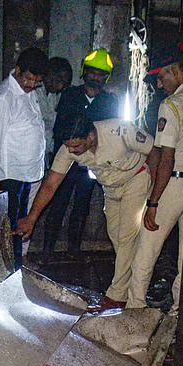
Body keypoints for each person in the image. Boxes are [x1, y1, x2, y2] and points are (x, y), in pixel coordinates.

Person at [15, 113, 153, 312]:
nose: (72, 151)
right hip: (110, 188)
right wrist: (31, 218)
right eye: (69, 147)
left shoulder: (121, 131)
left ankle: (117, 297)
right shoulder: (69, 147)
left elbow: (156, 150)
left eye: (76, 147)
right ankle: (132, 283)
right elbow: (51, 184)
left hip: (136, 179)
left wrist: (155, 192)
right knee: (117, 238)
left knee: (126, 238)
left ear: (91, 137)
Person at [126, 41, 183, 310]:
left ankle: (134, 312)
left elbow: (166, 157)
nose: (160, 83)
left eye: (162, 76)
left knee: (146, 251)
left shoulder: (172, 104)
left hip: (175, 183)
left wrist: (153, 202)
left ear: (175, 71)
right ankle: (178, 315)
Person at [43, 48, 120, 260]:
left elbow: (113, 134)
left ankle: (74, 251)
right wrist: (55, 154)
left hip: (91, 165)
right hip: (67, 160)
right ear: (84, 72)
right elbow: (58, 128)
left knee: (82, 206)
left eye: (100, 74)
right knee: (58, 203)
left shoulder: (110, 102)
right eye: (92, 72)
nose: (95, 77)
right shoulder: (70, 95)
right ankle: (48, 250)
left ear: (106, 78)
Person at [0, 48, 49, 270]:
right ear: (18, 70)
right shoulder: (5, 97)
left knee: (21, 227)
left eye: (37, 81)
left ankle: (17, 268)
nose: (32, 85)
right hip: (9, 177)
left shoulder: (30, 94)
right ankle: (8, 272)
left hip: (27, 175)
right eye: (29, 79)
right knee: (9, 230)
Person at [23, 57, 72, 256]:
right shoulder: (32, 92)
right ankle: (21, 254)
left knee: (38, 202)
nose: (60, 86)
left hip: (46, 156)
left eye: (64, 83)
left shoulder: (57, 96)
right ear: (49, 75)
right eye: (58, 80)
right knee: (26, 207)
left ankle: (27, 252)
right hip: (27, 157)